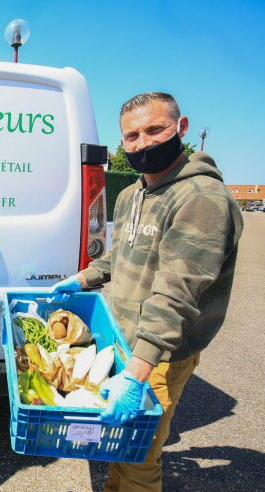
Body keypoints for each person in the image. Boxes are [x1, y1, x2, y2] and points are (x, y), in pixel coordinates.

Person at [52, 92, 242, 491]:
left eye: (155, 129)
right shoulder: (131, 195)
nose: (143, 143)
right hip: (124, 339)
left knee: (139, 455)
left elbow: (177, 294)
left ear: (182, 128)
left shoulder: (200, 198)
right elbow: (118, 258)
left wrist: (138, 374)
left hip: (159, 353)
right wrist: (83, 278)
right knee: (119, 449)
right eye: (132, 136)